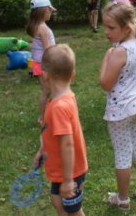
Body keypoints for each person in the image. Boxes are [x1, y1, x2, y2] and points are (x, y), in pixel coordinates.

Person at [99, 2, 136, 210]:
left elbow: (105, 83)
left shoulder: (118, 52)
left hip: (121, 112)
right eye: (104, 26)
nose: (106, 32)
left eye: (111, 27)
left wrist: (106, 58)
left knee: (123, 154)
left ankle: (123, 200)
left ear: (126, 28)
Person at [32, 44, 88, 215]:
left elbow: (68, 144)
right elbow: (51, 132)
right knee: (57, 201)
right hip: (62, 169)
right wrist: (42, 150)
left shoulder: (58, 107)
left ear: (45, 76)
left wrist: (68, 180)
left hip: (70, 172)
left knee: (73, 211)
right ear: (72, 75)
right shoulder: (64, 98)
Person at [27, 0, 56, 122]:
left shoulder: (36, 26)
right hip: (44, 63)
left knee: (46, 89)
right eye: (49, 10)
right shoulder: (43, 28)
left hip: (36, 63)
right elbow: (48, 48)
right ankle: (44, 117)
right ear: (43, 11)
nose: (51, 13)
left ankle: (46, 115)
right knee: (48, 90)